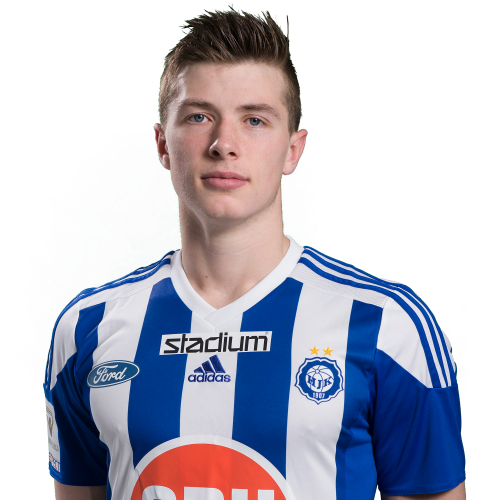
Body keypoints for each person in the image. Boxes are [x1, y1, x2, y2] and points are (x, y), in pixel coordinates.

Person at [45, 7, 466, 500]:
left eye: (254, 120)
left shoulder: (387, 323)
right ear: (162, 144)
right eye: (199, 117)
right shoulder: (86, 328)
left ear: (293, 150)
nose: (224, 144)